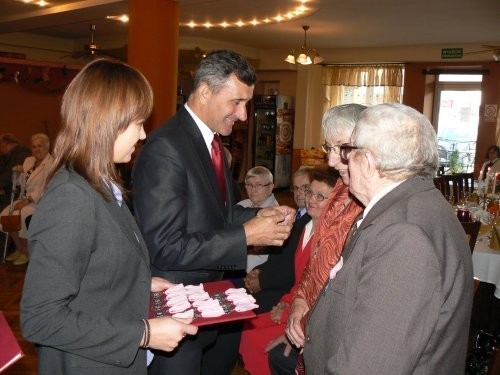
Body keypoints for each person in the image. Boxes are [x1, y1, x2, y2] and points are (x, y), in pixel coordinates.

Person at [20, 58, 198, 375]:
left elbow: (94, 269)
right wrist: (145, 334)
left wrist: (138, 283)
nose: (143, 135)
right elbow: (41, 318)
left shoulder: (101, 184)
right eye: (138, 124)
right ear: (109, 122)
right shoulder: (72, 197)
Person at [132, 49, 294, 375]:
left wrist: (257, 219)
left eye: (247, 103)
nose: (244, 115)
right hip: (176, 312)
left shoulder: (212, 142)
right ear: (205, 91)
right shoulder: (167, 148)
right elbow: (164, 246)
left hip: (208, 303)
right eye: (236, 102)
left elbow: (213, 218)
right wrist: (247, 235)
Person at [302, 103, 473, 374]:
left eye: (348, 152)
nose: (339, 161)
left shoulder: (404, 236)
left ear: (368, 162)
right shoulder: (413, 203)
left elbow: (369, 366)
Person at [268, 103, 366, 374]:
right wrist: (299, 302)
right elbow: (315, 264)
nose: (333, 161)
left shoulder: (374, 204)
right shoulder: (339, 193)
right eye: (329, 148)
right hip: (313, 327)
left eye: (342, 149)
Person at [239, 166, 338, 375]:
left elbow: (320, 290)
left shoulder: (332, 238)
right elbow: (298, 279)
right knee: (248, 330)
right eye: (311, 192)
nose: (311, 199)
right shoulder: (305, 227)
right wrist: (286, 301)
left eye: (321, 196)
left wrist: (288, 308)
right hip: (293, 300)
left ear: (335, 201)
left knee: (258, 341)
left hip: (309, 314)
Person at [243, 167, 313, 313]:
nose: (299, 193)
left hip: (284, 289)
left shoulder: (311, 221)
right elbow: (277, 255)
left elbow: (294, 268)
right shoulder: (293, 214)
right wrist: (257, 270)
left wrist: (262, 281)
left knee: (243, 313)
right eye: (296, 188)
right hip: (269, 278)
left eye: (305, 188)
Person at [0, 133, 54, 265]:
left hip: (40, 201)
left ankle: (27, 252)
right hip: (24, 198)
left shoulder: (51, 163)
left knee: (21, 214)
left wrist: (28, 200)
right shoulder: (29, 161)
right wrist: (19, 173)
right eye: (34, 146)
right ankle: (20, 249)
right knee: (5, 215)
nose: (37, 149)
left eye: (40, 146)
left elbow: (46, 187)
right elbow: (21, 183)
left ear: (47, 147)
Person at [238, 166, 279, 272]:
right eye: (249, 185)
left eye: (258, 185)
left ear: (270, 187)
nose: (253, 190)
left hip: (256, 266)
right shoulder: (241, 205)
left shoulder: (275, 214)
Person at [0, 134, 31, 209]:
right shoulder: (5, 156)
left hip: (15, 195)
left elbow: (14, 173)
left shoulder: (22, 151)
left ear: (5, 143)